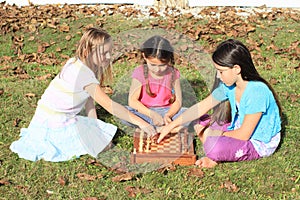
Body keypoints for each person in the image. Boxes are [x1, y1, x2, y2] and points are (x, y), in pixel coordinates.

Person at [10, 27, 156, 162]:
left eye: (109, 51)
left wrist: (94, 125)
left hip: (43, 119)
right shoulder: (84, 76)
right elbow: (110, 106)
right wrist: (141, 122)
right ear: (88, 52)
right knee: (105, 145)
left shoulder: (75, 62)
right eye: (103, 53)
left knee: (103, 139)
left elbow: (88, 100)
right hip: (55, 124)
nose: (109, 56)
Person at [157, 39, 282, 168]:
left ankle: (214, 153)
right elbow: (201, 107)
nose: (218, 76)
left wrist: (213, 133)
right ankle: (205, 136)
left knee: (214, 146)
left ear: (236, 69)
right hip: (236, 128)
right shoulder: (229, 87)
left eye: (221, 71)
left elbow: (244, 134)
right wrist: (170, 126)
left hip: (257, 142)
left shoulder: (257, 92)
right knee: (197, 119)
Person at [123, 35, 186, 132]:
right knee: (123, 111)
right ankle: (167, 128)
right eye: (153, 65)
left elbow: (178, 101)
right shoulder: (140, 72)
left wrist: (168, 115)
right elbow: (132, 101)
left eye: (162, 65)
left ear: (169, 59)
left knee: (190, 113)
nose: (157, 70)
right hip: (145, 112)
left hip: (167, 112)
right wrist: (152, 114)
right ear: (144, 56)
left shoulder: (174, 73)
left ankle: (157, 128)